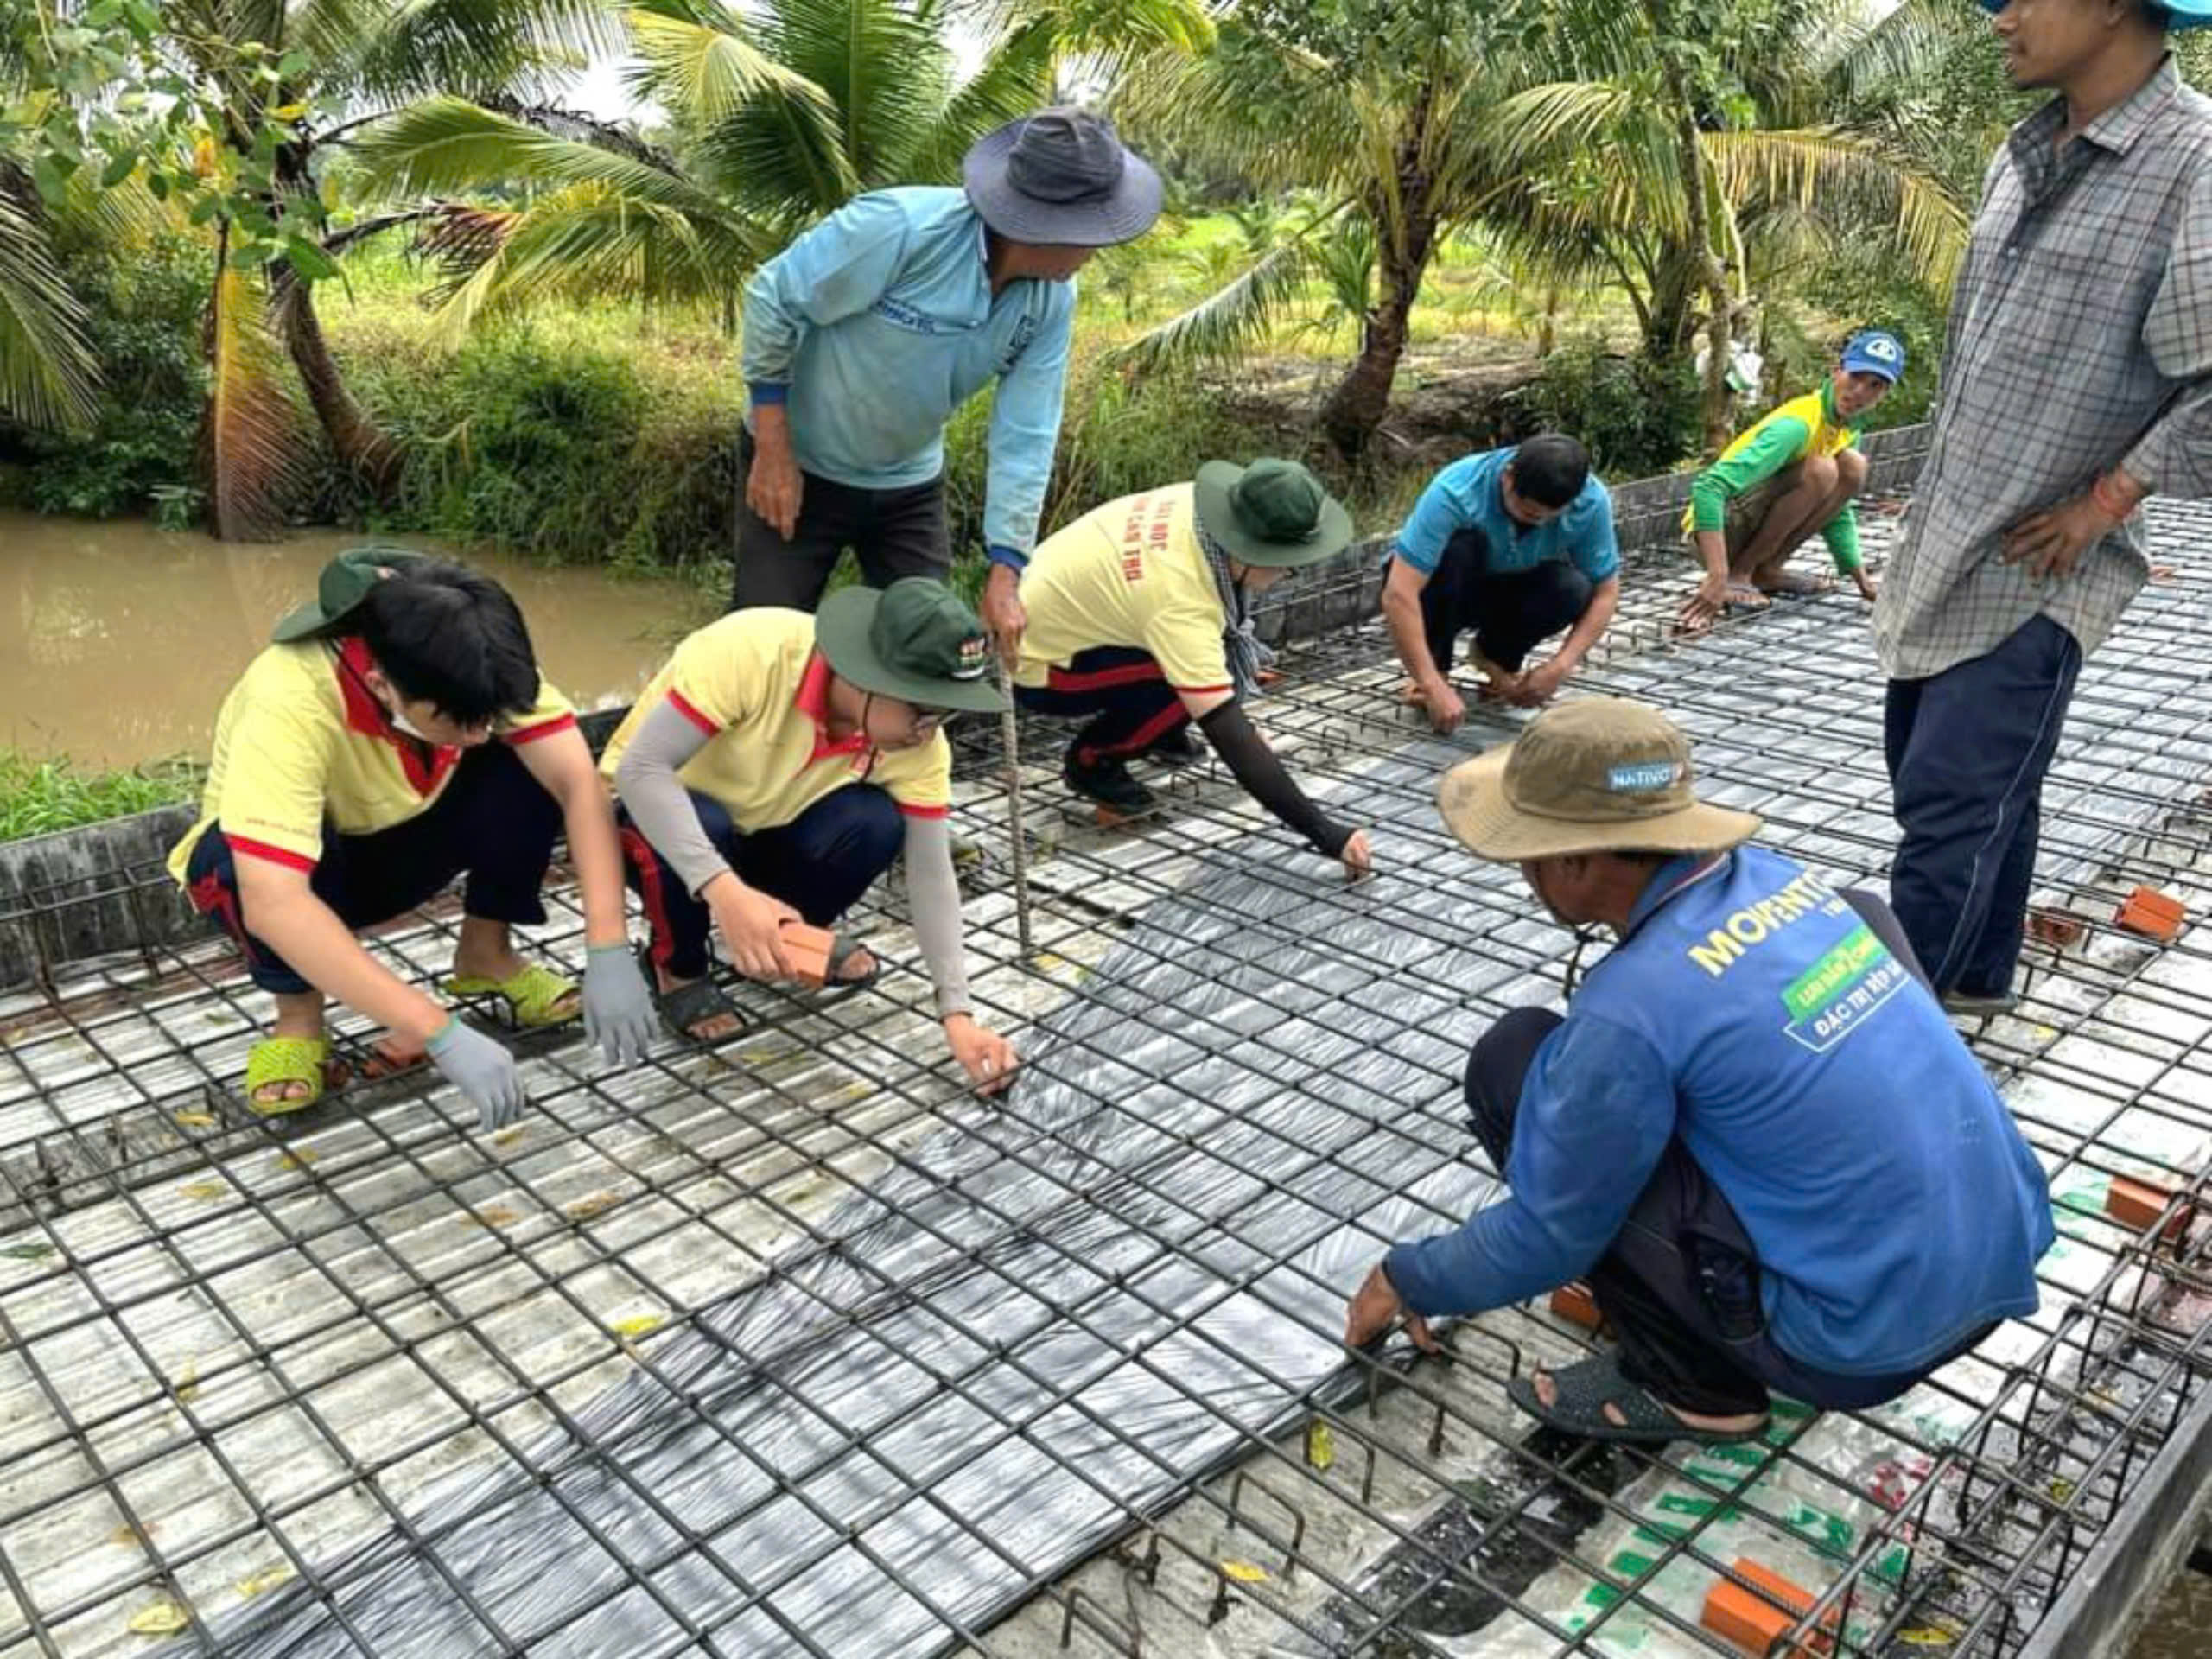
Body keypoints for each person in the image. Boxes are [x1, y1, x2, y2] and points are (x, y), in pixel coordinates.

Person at [1345, 698, 2052, 1442]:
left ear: (1575, 862)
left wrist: (1407, 1275)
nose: (1523, 871)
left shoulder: (1633, 1007)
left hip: (1855, 1350)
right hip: (2004, 1262)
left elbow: (1549, 1236)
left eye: (1529, 852)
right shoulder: (1781, 879)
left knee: (1514, 1065)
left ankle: (1700, 1390)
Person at [1878, 0, 2211, 1017]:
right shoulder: (2021, 153)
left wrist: (2105, 502)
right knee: (1961, 790)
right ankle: (1976, 984)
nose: (2002, 20)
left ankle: (1897, 1056)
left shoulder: (2194, 164)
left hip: (2036, 570)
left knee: (1947, 810)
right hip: (1949, 540)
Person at [170, 550, 657, 1129]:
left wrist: (608, 948)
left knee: (531, 767)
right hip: (304, 877)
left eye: (486, 717)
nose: (477, 735)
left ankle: (486, 954)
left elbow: (579, 785)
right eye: (456, 723)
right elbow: (276, 901)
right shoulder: (290, 699)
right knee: (228, 860)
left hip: (404, 839)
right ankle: (299, 1020)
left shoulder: (474, 656)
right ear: (381, 685)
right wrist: (438, 1030)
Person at [734, 105, 1160, 648]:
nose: (1097, 252)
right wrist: (773, 448)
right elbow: (775, 298)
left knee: (929, 650)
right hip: (801, 462)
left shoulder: (1052, 299)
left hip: (907, 482)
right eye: (1091, 233)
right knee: (763, 643)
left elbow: (1027, 430)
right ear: (1044, 224)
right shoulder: (900, 230)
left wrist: (1007, 568)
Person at [606, 577, 1020, 1094]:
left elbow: (931, 873)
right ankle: (679, 970)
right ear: (868, 677)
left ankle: (783, 934)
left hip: (766, 825)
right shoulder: (754, 653)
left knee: (874, 822)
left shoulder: (919, 745)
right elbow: (640, 772)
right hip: (659, 820)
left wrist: (956, 1013)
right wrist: (725, 891)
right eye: (922, 710)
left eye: (945, 712)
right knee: (702, 821)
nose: (929, 730)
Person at [1009, 458, 1372, 878]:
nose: (1289, 574)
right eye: (1290, 564)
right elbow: (1227, 731)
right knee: (1190, 684)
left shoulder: (1202, 517)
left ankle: (1159, 731)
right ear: (1251, 550)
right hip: (1041, 666)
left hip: (1071, 622)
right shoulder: (1181, 598)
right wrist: (1328, 834)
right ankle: (1094, 761)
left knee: (1201, 665)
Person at [1380, 435, 1621, 735]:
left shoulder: (1591, 500)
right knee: (1457, 551)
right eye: (1527, 512)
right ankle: (1434, 670)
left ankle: (1496, 657)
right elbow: (1399, 593)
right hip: (1450, 587)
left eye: (1547, 517)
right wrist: (1430, 683)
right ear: (1508, 477)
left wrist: (1561, 665)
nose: (1536, 522)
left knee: (1573, 588)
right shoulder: (1457, 489)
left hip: (1509, 585)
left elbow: (1607, 592)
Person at [1676, 330, 1904, 632]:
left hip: (1749, 530)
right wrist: (1717, 577)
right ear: (1837, 372)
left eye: (1875, 385)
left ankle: (1766, 570)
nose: (1860, 391)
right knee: (1822, 470)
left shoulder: (1846, 429)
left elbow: (1836, 507)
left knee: (1852, 466)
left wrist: (1861, 579)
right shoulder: (1798, 425)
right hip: (1716, 534)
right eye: (1856, 377)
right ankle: (1739, 574)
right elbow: (1708, 487)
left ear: (1883, 395)